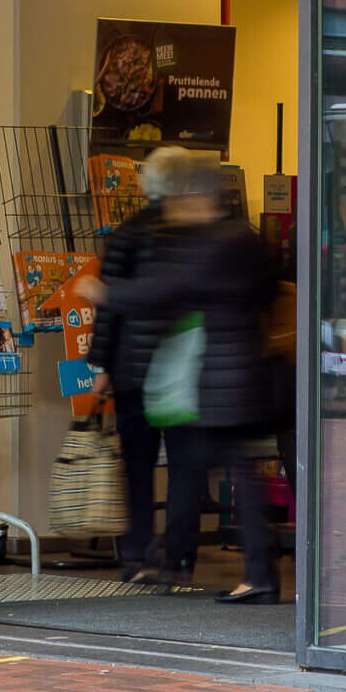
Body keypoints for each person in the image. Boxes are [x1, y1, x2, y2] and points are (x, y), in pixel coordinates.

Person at [85, 146, 283, 603]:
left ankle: (150, 558)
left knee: (145, 467)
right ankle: (187, 560)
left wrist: (105, 302)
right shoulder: (244, 237)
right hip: (227, 371)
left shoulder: (185, 239)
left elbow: (163, 291)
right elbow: (269, 290)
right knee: (196, 472)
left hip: (192, 375)